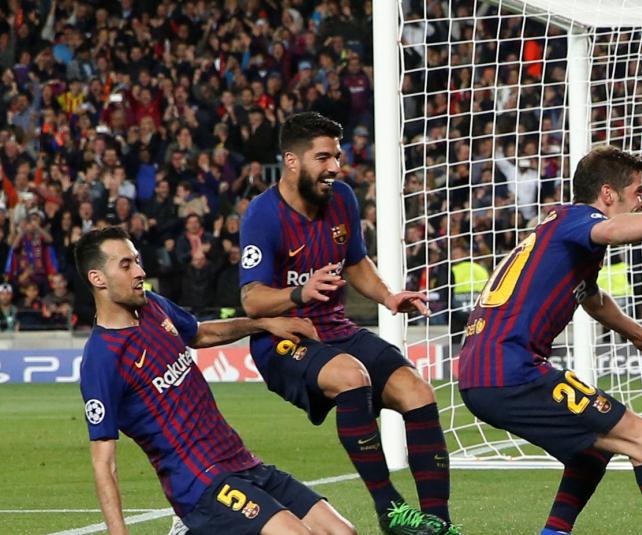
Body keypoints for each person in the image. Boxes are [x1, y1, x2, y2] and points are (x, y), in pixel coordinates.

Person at [458, 145, 642, 535]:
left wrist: (639, 334)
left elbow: (593, 298)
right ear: (608, 194)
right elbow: (611, 230)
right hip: (511, 370)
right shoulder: (581, 219)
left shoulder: (561, 228)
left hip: (488, 372)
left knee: (592, 451)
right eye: (639, 192)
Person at [238, 112, 456, 535]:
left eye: (336, 156)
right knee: (351, 377)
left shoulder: (342, 198)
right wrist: (298, 294)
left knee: (417, 392)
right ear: (292, 161)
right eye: (323, 157)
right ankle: (390, 510)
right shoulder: (262, 215)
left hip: (335, 329)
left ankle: (439, 525)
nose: (335, 167)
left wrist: (388, 296)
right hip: (283, 337)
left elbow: (355, 261)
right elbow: (252, 299)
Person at [76, 226, 355, 535]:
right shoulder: (102, 359)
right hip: (199, 483)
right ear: (97, 278)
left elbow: (199, 333)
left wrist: (263, 324)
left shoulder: (153, 306)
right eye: (126, 265)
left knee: (342, 532)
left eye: (137, 261)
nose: (140, 271)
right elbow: (104, 463)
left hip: (241, 461)